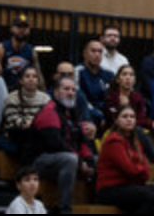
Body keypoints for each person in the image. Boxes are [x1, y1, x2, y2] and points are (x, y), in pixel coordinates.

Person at [95, 104, 154, 214]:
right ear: (116, 121)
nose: (129, 119)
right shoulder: (114, 141)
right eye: (125, 116)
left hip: (130, 187)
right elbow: (130, 169)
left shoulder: (135, 142)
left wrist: (139, 169)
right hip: (110, 190)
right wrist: (139, 169)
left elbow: (145, 172)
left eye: (132, 117)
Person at [29, 73, 97, 215]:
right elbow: (56, 144)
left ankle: (97, 202)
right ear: (55, 92)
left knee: (99, 160)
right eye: (66, 89)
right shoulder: (49, 111)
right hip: (40, 161)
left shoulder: (73, 113)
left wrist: (89, 161)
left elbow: (82, 141)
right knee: (69, 159)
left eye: (73, 90)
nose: (71, 93)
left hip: (65, 158)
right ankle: (65, 209)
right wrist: (80, 162)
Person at [0, 13, 41, 99]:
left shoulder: (31, 51)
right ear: (12, 28)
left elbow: (38, 75)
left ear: (29, 30)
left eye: (25, 27)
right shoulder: (1, 48)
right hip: (4, 91)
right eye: (19, 27)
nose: (22, 30)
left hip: (25, 92)